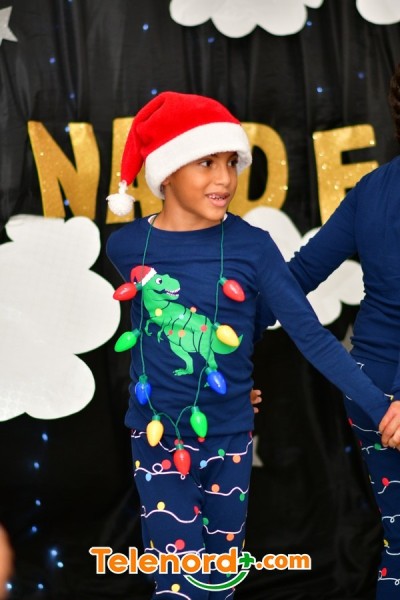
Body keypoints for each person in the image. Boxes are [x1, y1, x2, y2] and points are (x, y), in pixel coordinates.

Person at [106, 91, 394, 600]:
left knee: (219, 577)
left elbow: (311, 336)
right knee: (177, 579)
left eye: (231, 163)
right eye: (206, 162)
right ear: (167, 172)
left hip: (231, 438)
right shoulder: (126, 246)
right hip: (155, 437)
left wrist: (382, 407)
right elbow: (159, 327)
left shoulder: (252, 247)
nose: (224, 178)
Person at [255, 65, 400, 600]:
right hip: (383, 396)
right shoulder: (372, 191)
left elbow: (292, 279)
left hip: (370, 391)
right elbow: (293, 281)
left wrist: (225, 332)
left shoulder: (371, 189)